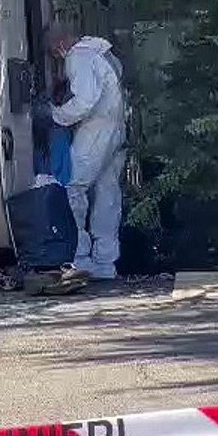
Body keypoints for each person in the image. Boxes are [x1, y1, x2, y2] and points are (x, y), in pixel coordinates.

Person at [45, 24, 127, 280]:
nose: (57, 59)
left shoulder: (78, 56)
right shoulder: (101, 51)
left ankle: (79, 258)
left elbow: (85, 100)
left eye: (54, 53)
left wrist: (56, 115)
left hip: (96, 130)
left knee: (73, 187)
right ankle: (105, 262)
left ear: (59, 44)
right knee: (107, 194)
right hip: (116, 129)